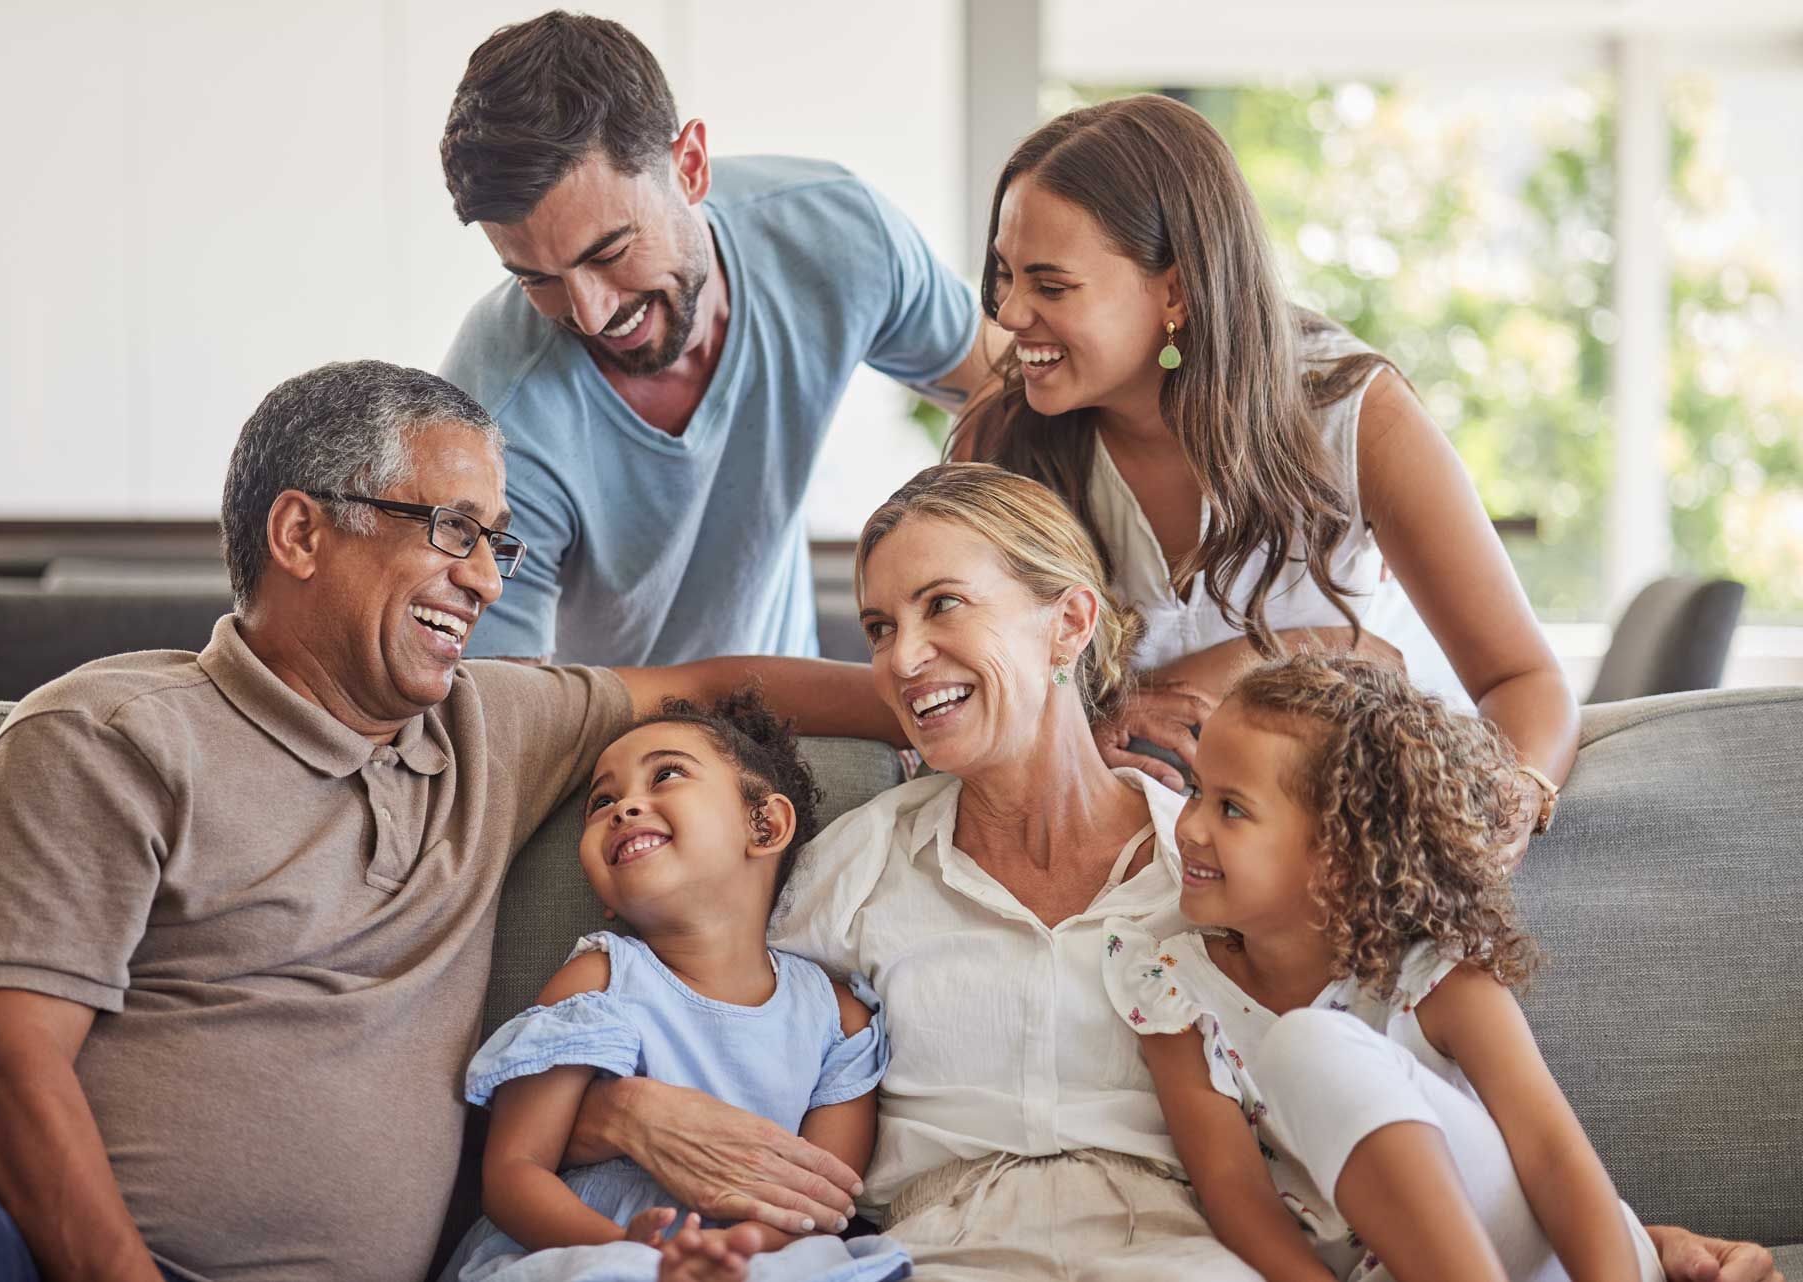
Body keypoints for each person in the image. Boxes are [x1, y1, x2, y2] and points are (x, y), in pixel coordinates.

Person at [556, 463, 1781, 1282]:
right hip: (938, 1259)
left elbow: (1378, 1094)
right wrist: (612, 1106)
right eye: (879, 627)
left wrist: (1628, 1244)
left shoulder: (1230, 869)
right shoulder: (852, 869)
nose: (903, 658)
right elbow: (715, 1021)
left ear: (1068, 624)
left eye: (943, 608)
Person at [0, 360, 898, 1282]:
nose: (489, 579)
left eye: (496, 541)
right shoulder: (111, 737)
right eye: (453, 529)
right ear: (300, 534)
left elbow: (712, 682)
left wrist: (970, 710)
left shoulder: (489, 726)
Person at [951, 94, 1577, 854]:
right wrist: (1132, 701)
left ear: (1175, 292)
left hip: (1357, 825)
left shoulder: (1353, 415)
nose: (1009, 314)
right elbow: (968, 689)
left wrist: (1510, 804)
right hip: (1147, 852)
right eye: (1005, 276)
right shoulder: (1005, 435)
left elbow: (1524, 680)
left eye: (1051, 286)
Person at [437, 11, 1002, 667]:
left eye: (611, 251)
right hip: (595, 755)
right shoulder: (494, 412)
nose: (589, 314)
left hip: (794, 733)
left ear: (692, 167)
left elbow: (1017, 393)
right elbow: (509, 719)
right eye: (536, 279)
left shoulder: (834, 234)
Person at [1103, 654, 1662, 1281]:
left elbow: (1554, 1158)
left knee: (1308, 1046)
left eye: (1232, 809)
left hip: (1549, 1260)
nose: (1191, 826)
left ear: (1340, 856)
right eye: (1197, 791)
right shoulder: (1174, 987)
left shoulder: (1434, 973)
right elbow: (1237, 1199)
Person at [444, 692, 906, 1282]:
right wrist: (631, 1251)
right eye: (602, 801)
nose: (625, 807)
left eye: (666, 775)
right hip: (593, 1249)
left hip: (759, 1258)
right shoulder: (600, 980)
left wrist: (730, 1254)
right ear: (603, 896)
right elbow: (513, 1174)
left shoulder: (840, 1018)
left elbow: (820, 1194)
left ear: (765, 825)